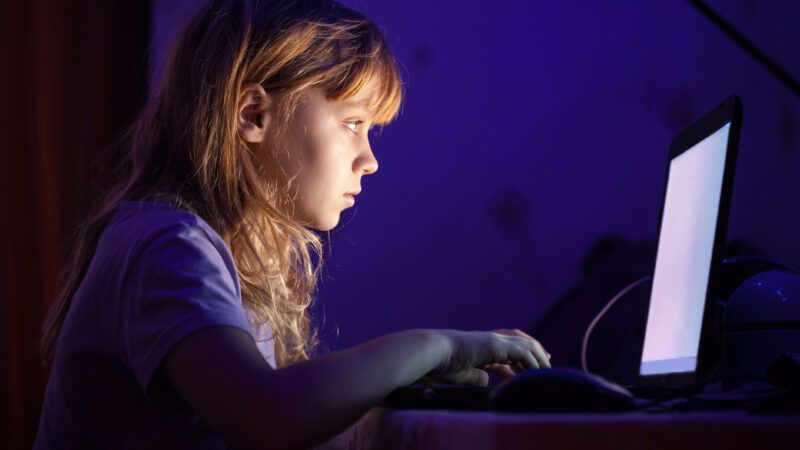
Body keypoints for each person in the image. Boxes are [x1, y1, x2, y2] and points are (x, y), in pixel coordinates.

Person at [34, 0, 551, 448]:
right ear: (253, 114)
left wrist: (402, 387)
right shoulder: (167, 246)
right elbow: (267, 418)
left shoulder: (212, 251)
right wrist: (437, 345)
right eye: (352, 123)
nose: (370, 159)